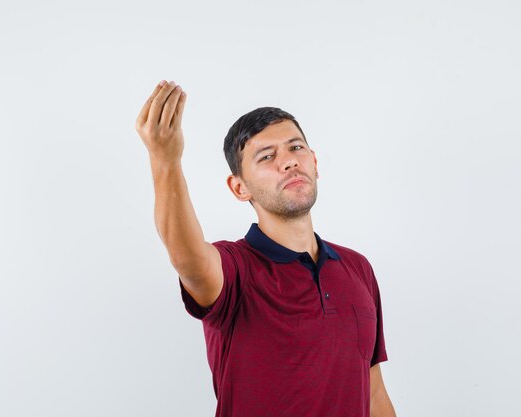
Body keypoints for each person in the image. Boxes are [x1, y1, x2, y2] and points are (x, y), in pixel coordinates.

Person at [135, 80, 397, 417]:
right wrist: (164, 159)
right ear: (240, 187)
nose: (288, 162)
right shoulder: (234, 270)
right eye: (267, 156)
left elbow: (373, 391)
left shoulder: (358, 268)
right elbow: (187, 257)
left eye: (296, 148)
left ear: (315, 162)